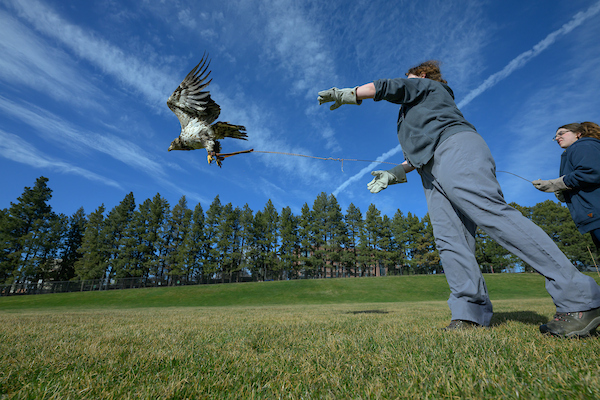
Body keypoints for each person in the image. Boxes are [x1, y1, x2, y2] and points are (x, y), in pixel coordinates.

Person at [318, 60, 600, 337]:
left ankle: (580, 299)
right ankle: (470, 312)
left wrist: (351, 94)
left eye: (409, 75)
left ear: (423, 74)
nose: (406, 79)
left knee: (491, 213)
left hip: (455, 148)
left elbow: (387, 87)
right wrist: (393, 174)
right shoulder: (416, 112)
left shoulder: (428, 87)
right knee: (449, 239)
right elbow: (416, 155)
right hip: (429, 167)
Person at [533, 122, 600, 251]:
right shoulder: (575, 150)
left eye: (562, 133)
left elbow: (590, 172)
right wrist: (560, 190)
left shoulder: (583, 145)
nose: (557, 138)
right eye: (555, 137)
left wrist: (555, 184)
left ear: (578, 134)